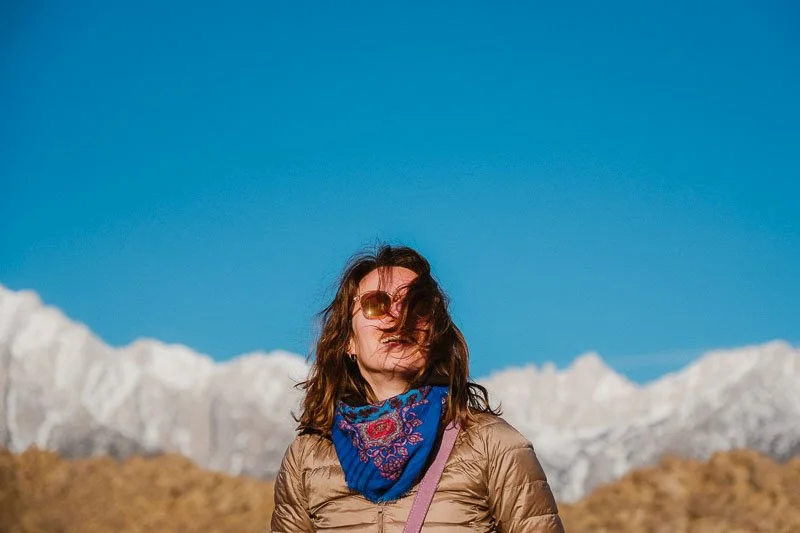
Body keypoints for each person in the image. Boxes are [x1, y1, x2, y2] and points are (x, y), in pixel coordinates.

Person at [271, 245, 564, 532]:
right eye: (376, 304)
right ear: (348, 340)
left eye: (418, 305)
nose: (398, 316)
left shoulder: (494, 445)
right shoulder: (306, 458)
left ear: (434, 333)